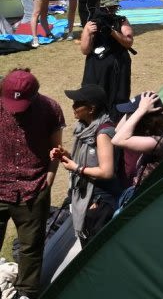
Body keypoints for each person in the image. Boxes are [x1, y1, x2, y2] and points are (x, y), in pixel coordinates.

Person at [0, 69, 64, 299]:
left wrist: (49, 178)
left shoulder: (50, 108)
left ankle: (26, 292)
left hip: (34, 188)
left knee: (30, 247)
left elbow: (56, 148)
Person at [51, 84, 119, 246]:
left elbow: (107, 171)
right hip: (88, 194)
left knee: (95, 247)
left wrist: (77, 168)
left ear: (91, 108)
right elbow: (88, 159)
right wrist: (66, 156)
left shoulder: (103, 133)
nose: (73, 106)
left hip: (100, 200)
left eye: (77, 103)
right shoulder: (84, 128)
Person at [111, 91, 163, 199]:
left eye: (133, 115)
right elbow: (118, 130)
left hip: (151, 197)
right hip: (142, 191)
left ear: (145, 119)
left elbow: (117, 140)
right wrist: (135, 108)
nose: (130, 117)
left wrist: (140, 110)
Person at [80, 0, 135, 116]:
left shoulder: (121, 21)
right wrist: (88, 32)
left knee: (119, 95)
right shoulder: (92, 24)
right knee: (94, 96)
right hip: (96, 66)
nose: (112, 11)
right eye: (109, 8)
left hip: (119, 65)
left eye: (114, 7)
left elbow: (128, 42)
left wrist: (112, 32)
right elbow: (85, 50)